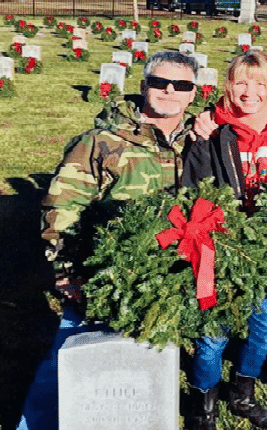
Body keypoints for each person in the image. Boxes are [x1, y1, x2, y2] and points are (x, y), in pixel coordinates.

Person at [16, 51, 198, 430]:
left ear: (193, 93)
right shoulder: (102, 141)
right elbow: (63, 207)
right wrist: (66, 270)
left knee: (151, 356)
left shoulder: (199, 139)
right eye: (159, 82)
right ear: (143, 86)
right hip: (101, 272)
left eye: (181, 85)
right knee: (71, 354)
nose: (169, 91)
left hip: (170, 275)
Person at [182, 50, 267, 430]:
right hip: (221, 246)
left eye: (259, 83)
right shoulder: (211, 131)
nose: (249, 91)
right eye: (240, 82)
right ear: (228, 86)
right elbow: (195, 187)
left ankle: (242, 393)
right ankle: (204, 404)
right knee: (212, 335)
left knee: (264, 328)